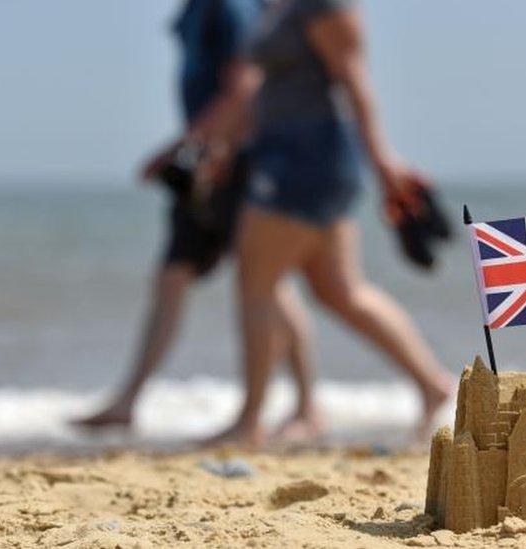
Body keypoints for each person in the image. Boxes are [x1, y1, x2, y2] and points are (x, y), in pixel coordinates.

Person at [191, 0, 456, 446]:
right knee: (339, 290)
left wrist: (382, 162)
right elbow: (264, 88)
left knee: (256, 284)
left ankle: (249, 421)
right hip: (288, 153)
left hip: (308, 158)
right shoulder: (276, 6)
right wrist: (225, 146)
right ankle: (433, 384)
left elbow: (354, 78)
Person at [74, 0, 321, 441]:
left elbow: (245, 87)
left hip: (232, 162)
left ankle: (304, 406)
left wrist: (191, 148)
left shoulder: (230, 8)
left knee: (269, 283)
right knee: (172, 277)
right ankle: (128, 401)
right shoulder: (194, 12)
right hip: (206, 161)